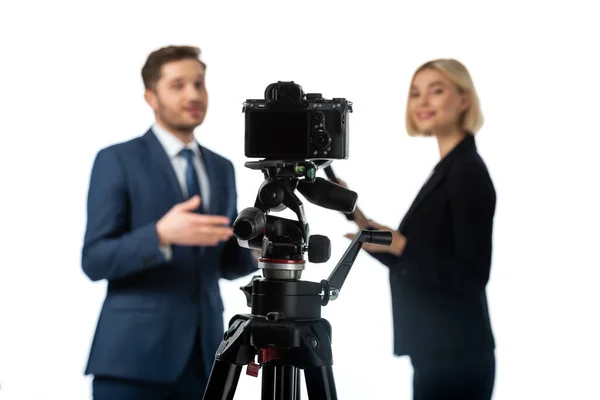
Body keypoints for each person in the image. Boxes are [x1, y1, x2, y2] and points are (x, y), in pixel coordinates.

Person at [81, 45, 258, 399]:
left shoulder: (221, 168)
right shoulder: (116, 160)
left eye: (199, 83)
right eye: (178, 85)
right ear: (151, 96)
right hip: (133, 360)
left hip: (206, 359)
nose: (193, 94)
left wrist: (257, 247)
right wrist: (160, 235)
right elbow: (95, 259)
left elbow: (224, 263)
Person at [341, 59, 496, 399]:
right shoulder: (449, 167)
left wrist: (401, 246)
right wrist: (358, 219)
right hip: (436, 352)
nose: (422, 102)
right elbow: (420, 260)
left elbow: (471, 277)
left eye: (436, 91)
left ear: (464, 99)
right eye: (415, 94)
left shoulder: (466, 172)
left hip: (456, 357)